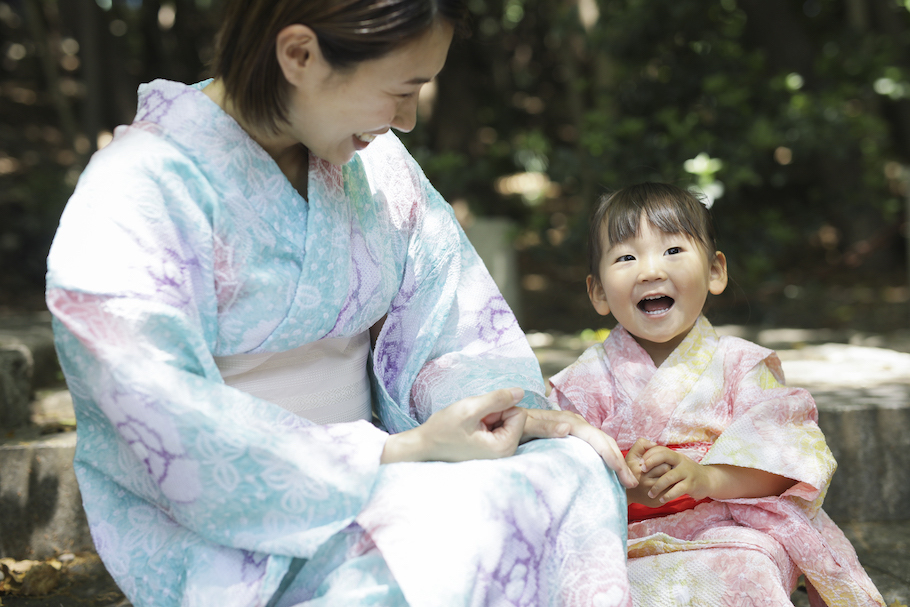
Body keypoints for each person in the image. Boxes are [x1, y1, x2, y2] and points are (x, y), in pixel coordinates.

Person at [45, 0, 637, 605]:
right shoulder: (135, 188)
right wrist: (395, 451)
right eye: (400, 90)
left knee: (574, 470)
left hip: (395, 470)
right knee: (448, 538)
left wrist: (495, 416)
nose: (407, 120)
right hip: (239, 527)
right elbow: (161, 409)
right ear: (299, 54)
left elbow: (449, 325)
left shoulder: (371, 161)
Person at [547, 183, 886, 606]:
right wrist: (624, 484)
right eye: (626, 257)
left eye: (672, 251)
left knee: (749, 565)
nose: (650, 270)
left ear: (715, 271)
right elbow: (556, 470)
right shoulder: (583, 381)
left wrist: (707, 478)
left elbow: (786, 460)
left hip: (727, 525)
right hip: (622, 535)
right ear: (598, 291)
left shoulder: (741, 365)